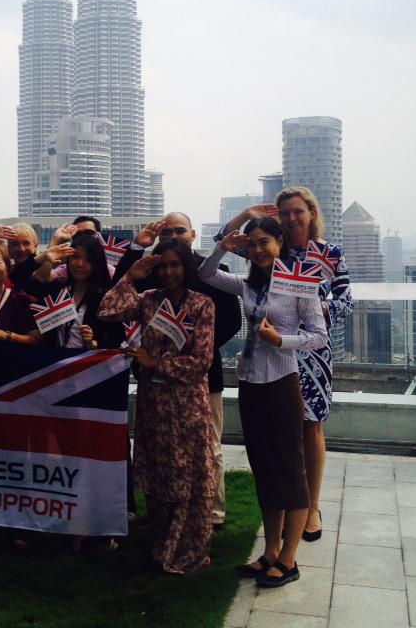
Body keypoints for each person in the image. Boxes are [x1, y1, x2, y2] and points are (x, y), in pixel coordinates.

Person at [199, 217, 328, 588]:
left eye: (264, 242)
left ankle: (289, 559)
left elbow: (319, 336)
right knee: (265, 470)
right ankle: (270, 552)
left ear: (280, 242)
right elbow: (206, 274)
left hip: (282, 383)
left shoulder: (299, 283)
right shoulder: (248, 284)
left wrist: (282, 340)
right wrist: (224, 246)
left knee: (290, 469)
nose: (258, 250)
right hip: (250, 382)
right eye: (252, 244)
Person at [220, 189, 352, 541]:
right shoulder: (271, 245)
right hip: (269, 351)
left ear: (311, 213)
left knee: (311, 426)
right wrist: (246, 214)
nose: (292, 218)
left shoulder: (329, 254)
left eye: (298, 211)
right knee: (281, 435)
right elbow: (223, 242)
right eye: (285, 213)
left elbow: (346, 301)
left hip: (311, 350)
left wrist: (316, 306)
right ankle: (285, 509)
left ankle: (311, 507)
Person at [113, 212, 242, 530]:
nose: (173, 236)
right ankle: (166, 511)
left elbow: (232, 322)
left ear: (193, 234)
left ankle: (212, 513)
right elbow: (119, 290)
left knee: (208, 446)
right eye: (167, 231)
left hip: (200, 376)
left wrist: (194, 347)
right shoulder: (154, 271)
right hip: (155, 380)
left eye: (179, 230)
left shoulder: (213, 271)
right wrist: (136, 249)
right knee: (161, 449)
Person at [98, 239, 216, 575]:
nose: (168, 272)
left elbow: (201, 361)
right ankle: (162, 543)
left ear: (186, 266)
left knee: (189, 474)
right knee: (160, 474)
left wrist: (157, 363)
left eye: (175, 264)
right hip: (154, 403)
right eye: (163, 265)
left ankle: (189, 547)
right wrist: (130, 277)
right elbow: (107, 311)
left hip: (187, 404)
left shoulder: (202, 304)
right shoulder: (149, 300)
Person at [12, 231, 123, 350]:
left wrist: (95, 343)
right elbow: (17, 277)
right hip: (54, 359)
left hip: (87, 361)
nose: (80, 264)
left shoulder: (106, 298)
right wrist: (42, 258)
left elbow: (118, 340)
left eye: (88, 260)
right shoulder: (56, 289)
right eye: (75, 257)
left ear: (97, 263)